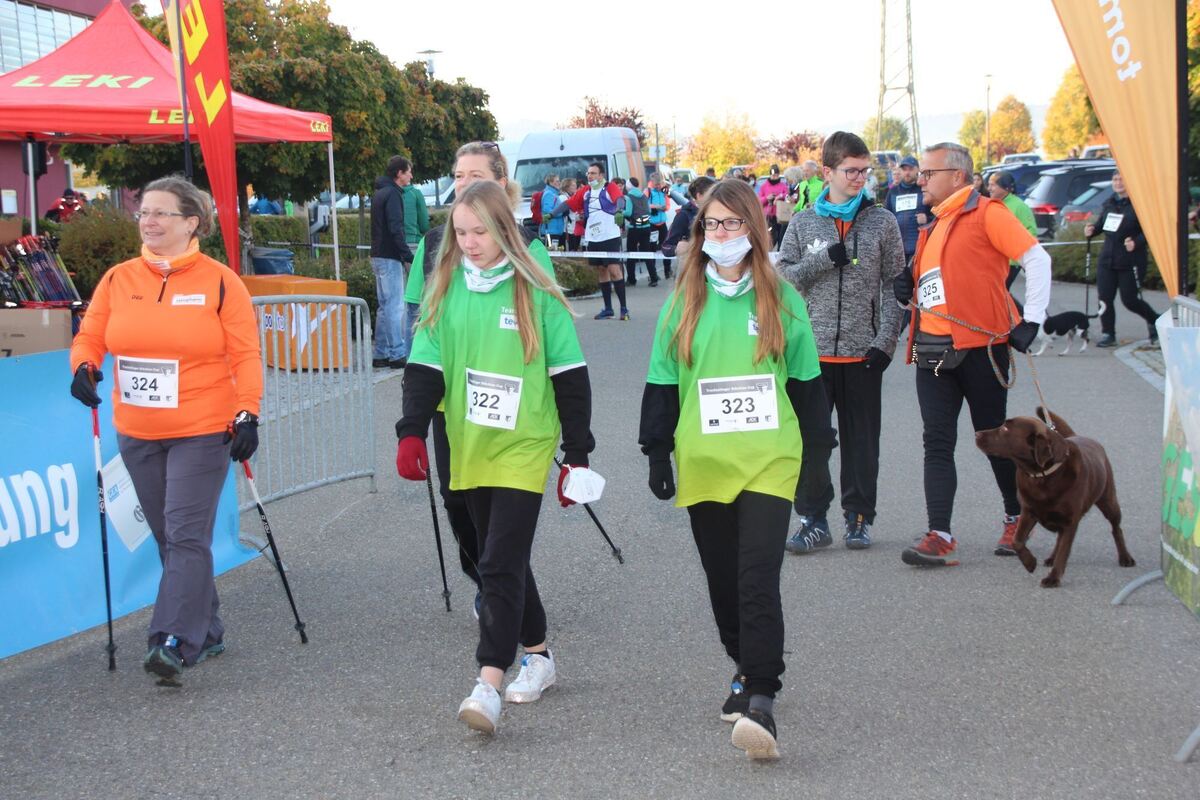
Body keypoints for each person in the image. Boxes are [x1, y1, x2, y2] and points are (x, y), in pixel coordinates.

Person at [639, 179, 830, 760]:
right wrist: (656, 452)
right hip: (706, 461)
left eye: (732, 224)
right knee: (724, 582)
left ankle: (763, 698)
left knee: (756, 578)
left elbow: (806, 386)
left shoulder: (781, 298)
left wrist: (817, 463)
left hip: (769, 460)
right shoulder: (683, 303)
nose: (721, 235)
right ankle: (743, 666)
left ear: (753, 228)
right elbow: (662, 384)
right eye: (711, 225)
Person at [395, 180, 594, 735]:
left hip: (523, 446)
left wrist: (576, 454)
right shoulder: (447, 288)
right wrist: (412, 431)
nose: (470, 241)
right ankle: (540, 654)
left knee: (501, 561)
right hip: (468, 442)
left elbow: (570, 378)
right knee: (494, 558)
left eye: (480, 230)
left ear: (505, 229)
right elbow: (424, 367)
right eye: (460, 232)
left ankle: (488, 682)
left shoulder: (536, 291)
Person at [68, 175, 262, 685]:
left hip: (201, 427)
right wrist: (84, 366)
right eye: (144, 213)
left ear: (191, 222)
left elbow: (245, 354)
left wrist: (247, 411)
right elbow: (91, 335)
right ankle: (210, 626)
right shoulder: (118, 279)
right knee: (168, 535)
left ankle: (172, 639)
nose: (148, 222)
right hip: (137, 428)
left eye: (161, 214)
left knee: (184, 531)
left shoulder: (220, 282)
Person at [404, 141, 554, 617]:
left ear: (500, 182)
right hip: (453, 404)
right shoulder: (433, 243)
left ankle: (503, 584)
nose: (463, 183)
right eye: (458, 174)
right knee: (458, 503)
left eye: (474, 175)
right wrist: (415, 408)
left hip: (512, 406)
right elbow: (420, 321)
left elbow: (549, 331)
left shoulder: (528, 246)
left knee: (502, 510)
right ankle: (486, 578)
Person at [893, 143, 1051, 567]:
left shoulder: (988, 214)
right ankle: (939, 534)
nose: (920, 180)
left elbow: (1037, 259)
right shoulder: (933, 224)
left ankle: (1015, 517)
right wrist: (906, 282)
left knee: (994, 438)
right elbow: (936, 279)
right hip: (933, 350)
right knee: (937, 441)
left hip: (983, 349)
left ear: (958, 176)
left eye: (929, 173)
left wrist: (1032, 320)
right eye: (921, 173)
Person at [778, 131, 906, 553]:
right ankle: (813, 518)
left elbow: (895, 286)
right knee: (812, 442)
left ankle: (858, 517)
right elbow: (784, 281)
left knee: (862, 443)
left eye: (865, 171)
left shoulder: (881, 222)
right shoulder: (802, 222)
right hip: (811, 355)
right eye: (851, 171)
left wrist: (885, 341)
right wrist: (823, 259)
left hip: (863, 353)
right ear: (828, 171)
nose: (859, 179)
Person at [1085, 172, 1161, 348]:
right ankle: (1108, 333)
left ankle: (1155, 320)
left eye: (1121, 180)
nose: (1118, 183)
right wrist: (1091, 230)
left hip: (1130, 259)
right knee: (1104, 298)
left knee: (1130, 300)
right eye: (1115, 179)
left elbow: (1149, 230)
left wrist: (1136, 242)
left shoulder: (1138, 205)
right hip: (1108, 259)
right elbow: (1100, 226)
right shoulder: (1110, 203)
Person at [557, 162, 628, 320]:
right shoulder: (585, 191)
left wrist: (619, 211)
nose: (590, 176)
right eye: (589, 173)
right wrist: (552, 213)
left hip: (610, 235)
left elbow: (620, 200)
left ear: (601, 175)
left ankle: (624, 309)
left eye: (594, 173)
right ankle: (608, 309)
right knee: (601, 271)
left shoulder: (610, 187)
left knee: (614, 269)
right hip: (593, 236)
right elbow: (569, 203)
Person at [370, 155, 417, 369]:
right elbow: (396, 228)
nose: (410, 175)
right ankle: (397, 353)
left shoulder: (380, 193)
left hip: (377, 254)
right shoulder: (394, 195)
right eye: (408, 171)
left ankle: (380, 353)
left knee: (383, 306)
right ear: (399, 173)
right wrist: (408, 255)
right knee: (395, 305)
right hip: (389, 256)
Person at [987, 171, 1037, 290]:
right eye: (988, 184)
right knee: (1001, 292)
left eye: (993, 185)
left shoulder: (1019, 206)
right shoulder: (994, 204)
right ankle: (1016, 309)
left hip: (1011, 261)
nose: (989, 188)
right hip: (997, 260)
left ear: (1006, 187)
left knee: (1000, 291)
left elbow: (1031, 232)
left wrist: (1013, 250)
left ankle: (1018, 310)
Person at [662, 176, 716, 278]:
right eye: (711, 194)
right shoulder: (684, 215)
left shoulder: (715, 213)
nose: (715, 198)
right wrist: (677, 249)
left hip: (714, 271)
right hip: (691, 273)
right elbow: (666, 247)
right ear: (699, 196)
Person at [884, 155, 931, 265]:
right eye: (904, 169)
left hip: (921, 248)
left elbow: (937, 215)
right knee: (900, 282)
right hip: (898, 250)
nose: (907, 172)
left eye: (910, 169)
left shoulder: (924, 190)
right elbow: (886, 216)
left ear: (917, 170)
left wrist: (927, 219)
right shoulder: (893, 192)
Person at [623, 177, 659, 287]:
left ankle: (631, 279)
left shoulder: (628, 197)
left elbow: (628, 213)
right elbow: (648, 210)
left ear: (628, 186)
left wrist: (619, 211)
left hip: (634, 227)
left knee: (631, 253)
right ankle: (654, 278)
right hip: (646, 225)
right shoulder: (644, 195)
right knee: (647, 253)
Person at [397, 157, 431, 253]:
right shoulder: (415, 194)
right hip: (412, 242)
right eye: (409, 172)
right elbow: (424, 225)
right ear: (401, 174)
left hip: (391, 246)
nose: (411, 176)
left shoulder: (386, 193)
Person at [758, 164, 789, 248]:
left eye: (776, 175)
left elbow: (787, 195)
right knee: (770, 238)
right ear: (770, 175)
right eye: (773, 175)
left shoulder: (783, 185)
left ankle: (780, 252)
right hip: (769, 216)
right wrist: (767, 198)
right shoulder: (764, 186)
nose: (774, 177)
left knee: (781, 237)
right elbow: (759, 201)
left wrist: (780, 196)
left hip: (781, 215)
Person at [647, 173, 669, 276]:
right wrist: (654, 207)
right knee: (652, 248)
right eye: (656, 184)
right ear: (652, 183)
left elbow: (668, 205)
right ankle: (653, 274)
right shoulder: (648, 191)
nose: (658, 186)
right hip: (652, 224)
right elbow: (644, 205)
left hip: (663, 224)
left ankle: (667, 270)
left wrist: (665, 208)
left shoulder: (665, 191)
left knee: (666, 247)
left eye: (660, 184)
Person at [540, 173, 566, 249]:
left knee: (556, 252)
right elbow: (547, 210)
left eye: (559, 181)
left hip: (555, 229)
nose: (559, 183)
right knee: (552, 253)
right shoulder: (549, 194)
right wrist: (561, 213)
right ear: (551, 182)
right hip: (550, 230)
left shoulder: (554, 194)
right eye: (557, 181)